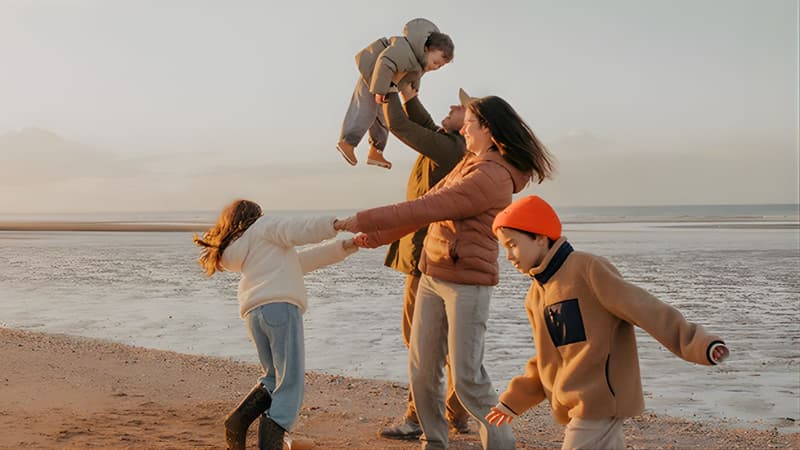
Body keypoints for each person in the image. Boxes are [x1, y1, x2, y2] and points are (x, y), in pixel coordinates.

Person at [339, 93, 555, 450]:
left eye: (470, 124)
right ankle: (434, 442)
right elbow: (427, 210)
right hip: (432, 273)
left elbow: (430, 205)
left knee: (469, 380)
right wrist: (374, 236)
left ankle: (501, 444)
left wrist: (362, 218)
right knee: (422, 371)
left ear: (487, 128)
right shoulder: (470, 162)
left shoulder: (492, 175)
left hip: (467, 284)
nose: (465, 131)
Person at [486, 195, 730, 450]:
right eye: (504, 248)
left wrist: (700, 344)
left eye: (512, 244)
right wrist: (514, 400)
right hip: (576, 404)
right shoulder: (535, 296)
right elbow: (547, 360)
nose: (509, 256)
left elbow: (646, 309)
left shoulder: (587, 269)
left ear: (540, 237)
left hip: (598, 400)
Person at [193, 200, 358, 450]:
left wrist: (347, 245)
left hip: (255, 314)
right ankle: (271, 442)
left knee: (273, 378)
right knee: (290, 384)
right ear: (255, 216)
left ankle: (238, 419)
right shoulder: (264, 226)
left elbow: (298, 263)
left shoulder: (250, 247)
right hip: (280, 309)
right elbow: (297, 229)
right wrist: (335, 225)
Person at [377, 84, 469, 440]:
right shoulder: (449, 143)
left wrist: (386, 94)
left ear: (469, 123)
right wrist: (409, 94)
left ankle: (419, 417)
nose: (451, 105)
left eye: (460, 108)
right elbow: (422, 120)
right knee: (442, 342)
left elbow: (402, 126)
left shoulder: (449, 149)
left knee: (419, 342)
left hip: (424, 258)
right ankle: (454, 411)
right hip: (431, 255)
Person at [336, 17, 454, 170]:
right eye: (435, 62)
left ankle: (376, 151)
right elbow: (384, 62)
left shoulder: (420, 63)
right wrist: (379, 90)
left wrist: (413, 91)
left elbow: (413, 77)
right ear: (426, 49)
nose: (435, 67)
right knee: (365, 109)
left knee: (383, 118)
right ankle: (347, 142)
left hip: (386, 86)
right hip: (372, 75)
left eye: (440, 66)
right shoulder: (405, 49)